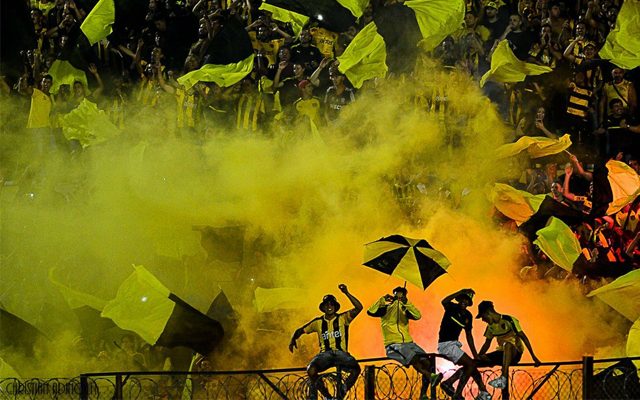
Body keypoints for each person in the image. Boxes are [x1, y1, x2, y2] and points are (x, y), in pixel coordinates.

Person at [367, 286, 442, 400]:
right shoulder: (385, 308)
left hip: (409, 342)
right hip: (393, 343)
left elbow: (418, 316)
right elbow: (370, 312)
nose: (400, 296)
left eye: (403, 294)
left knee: (427, 361)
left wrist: (406, 303)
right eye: (397, 293)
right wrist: (383, 300)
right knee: (414, 358)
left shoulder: (405, 309)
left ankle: (423, 394)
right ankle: (430, 376)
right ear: (393, 294)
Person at [289, 284, 363, 400]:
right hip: (325, 355)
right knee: (311, 370)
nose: (329, 306)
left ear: (335, 307)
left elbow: (359, 307)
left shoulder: (343, 318)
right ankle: (327, 396)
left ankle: (341, 391)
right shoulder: (318, 322)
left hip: (340, 353)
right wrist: (293, 339)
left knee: (356, 369)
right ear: (323, 307)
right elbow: (301, 330)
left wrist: (346, 293)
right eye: (327, 304)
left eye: (331, 304)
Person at [475, 300, 542, 400]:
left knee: (507, 344)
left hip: (515, 353)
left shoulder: (509, 320)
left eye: (483, 317)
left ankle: (503, 378)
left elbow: (524, 337)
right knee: (472, 363)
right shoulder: (490, 327)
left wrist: (534, 357)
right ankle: (482, 392)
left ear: (488, 312)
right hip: (501, 353)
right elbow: (487, 343)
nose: (483, 320)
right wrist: (478, 357)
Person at [437, 289, 492, 400]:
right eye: (462, 298)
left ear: (469, 302)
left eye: (467, 300)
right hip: (445, 345)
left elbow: (469, 336)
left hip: (454, 346)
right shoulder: (451, 307)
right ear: (459, 299)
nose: (464, 301)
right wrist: (460, 291)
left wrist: (475, 354)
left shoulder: (468, 316)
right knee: (471, 365)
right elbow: (444, 301)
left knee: (472, 365)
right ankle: (457, 393)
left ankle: (450, 383)